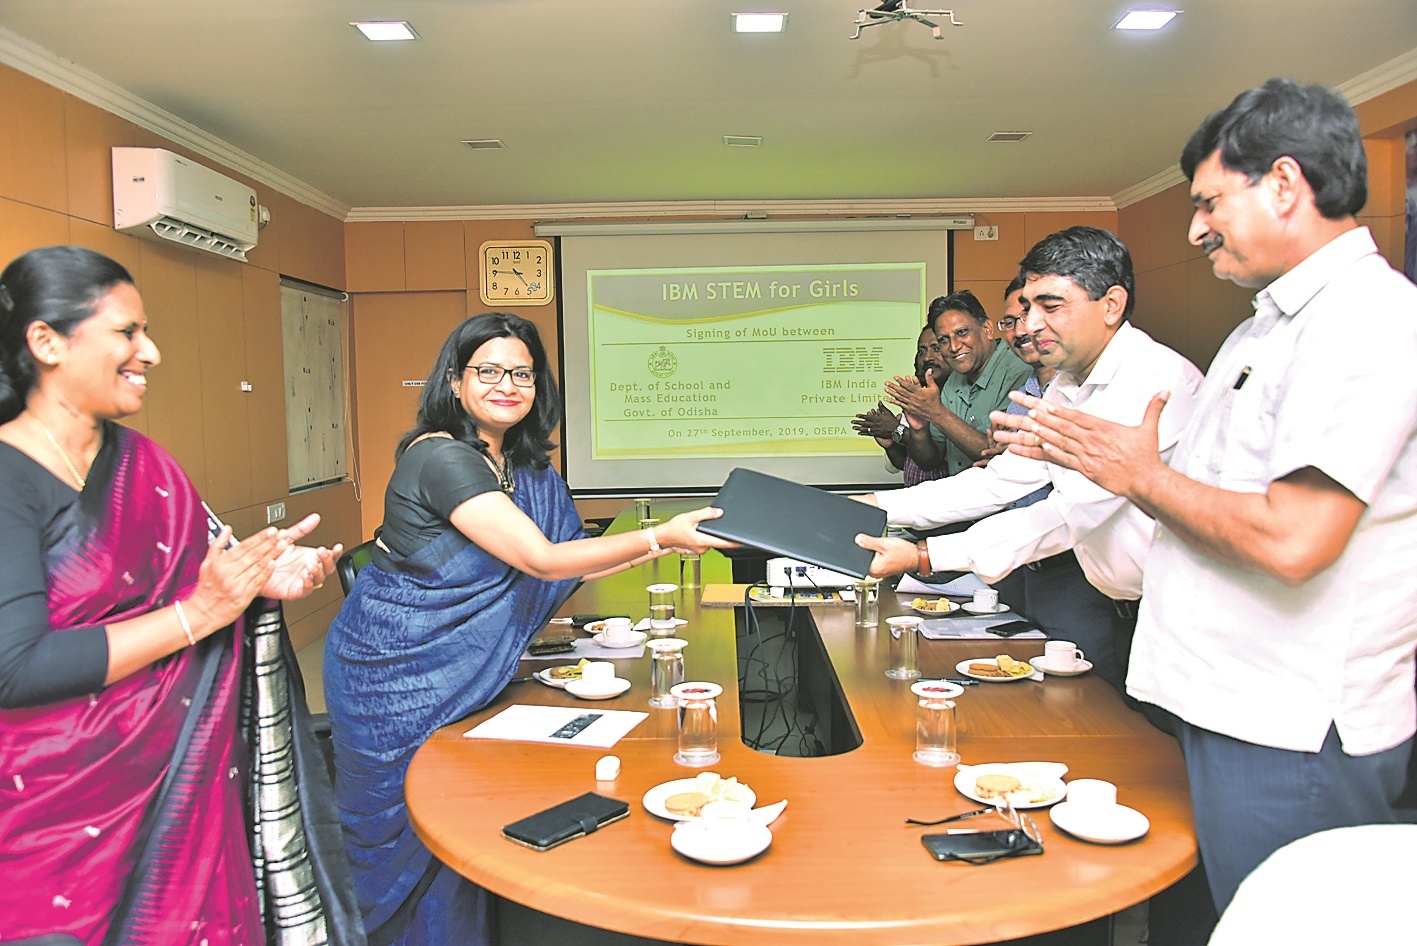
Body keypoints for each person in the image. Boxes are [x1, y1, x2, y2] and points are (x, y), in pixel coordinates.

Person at [995, 79, 1417, 915]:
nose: (1193, 229)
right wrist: (1123, 469)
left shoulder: (1361, 320)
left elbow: (1293, 539)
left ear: (1284, 185)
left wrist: (1136, 475)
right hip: (1227, 702)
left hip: (1288, 724)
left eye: (1208, 202)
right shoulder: (1266, 327)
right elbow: (1199, 496)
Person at [323, 313, 730, 946]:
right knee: (406, 830)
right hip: (396, 673)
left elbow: (568, 558)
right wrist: (659, 538)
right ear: (454, 381)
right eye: (488, 371)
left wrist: (662, 544)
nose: (507, 385)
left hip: (466, 668)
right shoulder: (440, 457)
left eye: (523, 373)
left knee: (466, 813)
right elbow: (540, 560)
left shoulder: (525, 465)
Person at [0, 246, 358, 945]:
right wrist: (198, 614)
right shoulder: (9, 478)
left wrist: (261, 581)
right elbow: (15, 668)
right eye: (127, 332)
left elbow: (207, 575)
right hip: (59, 809)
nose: (150, 352)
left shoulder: (145, 463)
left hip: (185, 779)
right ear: (46, 342)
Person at [854, 227, 1204, 693]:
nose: (1029, 326)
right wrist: (872, 506)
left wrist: (924, 555)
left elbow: (1068, 514)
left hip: (1169, 618)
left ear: (1111, 305)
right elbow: (997, 482)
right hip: (1121, 606)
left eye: (1049, 307)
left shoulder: (1151, 381)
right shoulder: (1066, 387)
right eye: (1026, 309)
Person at [883, 289, 1030, 478]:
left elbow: (1001, 457)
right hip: (963, 495)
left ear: (987, 329)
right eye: (944, 340)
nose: (953, 347)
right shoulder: (954, 379)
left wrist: (936, 413)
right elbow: (930, 461)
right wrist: (920, 429)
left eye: (962, 332)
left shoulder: (1021, 371)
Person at [851, 321, 951, 486]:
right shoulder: (916, 398)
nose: (927, 357)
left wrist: (896, 430)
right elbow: (908, 463)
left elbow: (934, 460)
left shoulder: (958, 399)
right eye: (922, 351)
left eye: (936, 348)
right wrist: (891, 445)